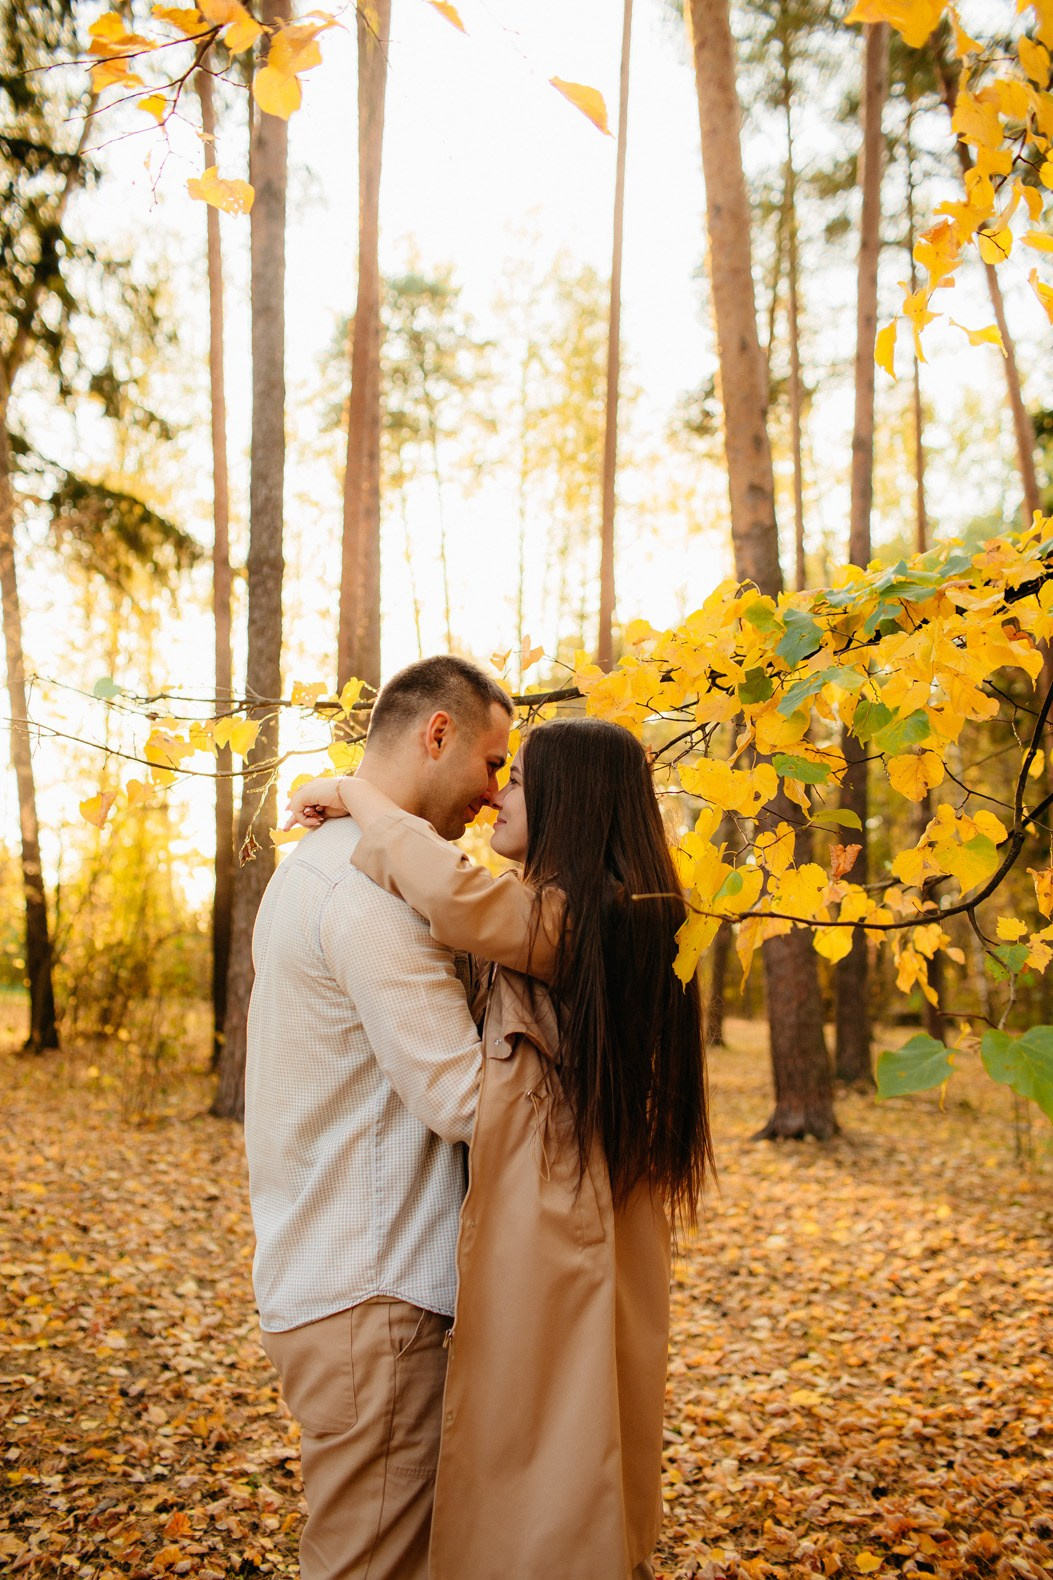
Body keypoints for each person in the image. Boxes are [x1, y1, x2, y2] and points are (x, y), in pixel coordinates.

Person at [287, 714, 713, 1580]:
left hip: (561, 1234)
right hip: (577, 1223)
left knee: (555, 1452)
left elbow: (451, 897)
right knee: (562, 1440)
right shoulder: (597, 912)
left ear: (572, 797)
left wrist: (355, 793)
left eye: (514, 779)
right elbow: (446, 899)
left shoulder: (589, 917)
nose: (494, 797)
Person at [244, 655, 513, 1580]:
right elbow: (466, 1099)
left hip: (332, 1281)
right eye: (489, 763)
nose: (492, 795)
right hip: (375, 1297)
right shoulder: (367, 897)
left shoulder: (316, 865)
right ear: (435, 735)